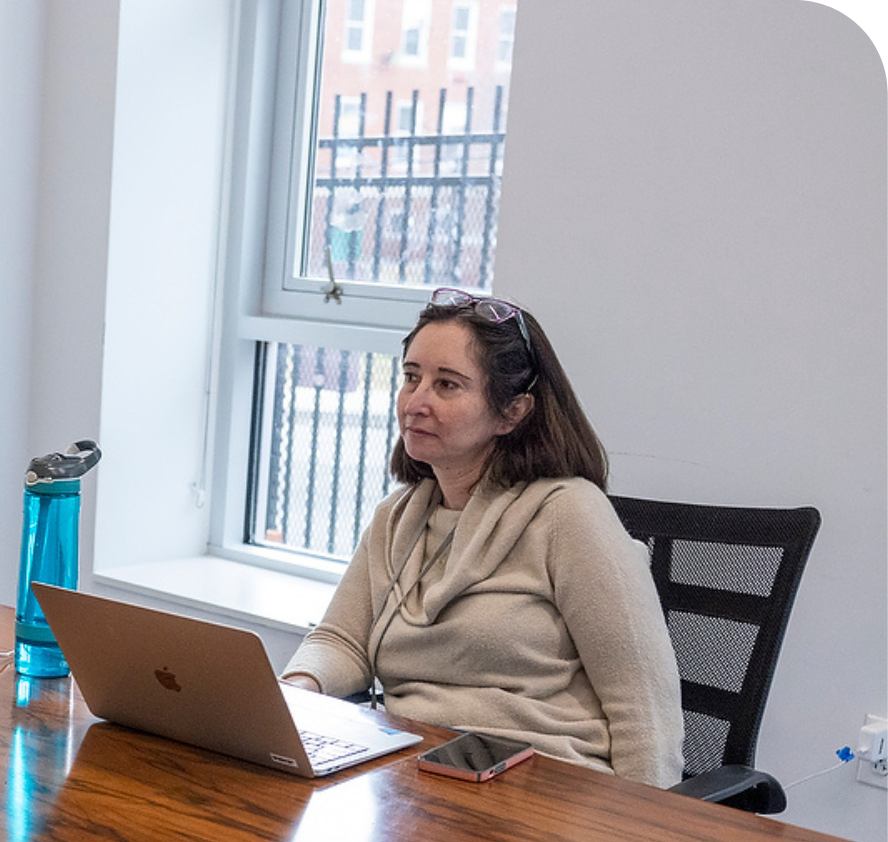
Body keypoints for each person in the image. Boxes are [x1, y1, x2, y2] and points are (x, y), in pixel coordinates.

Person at [280, 288, 683, 788]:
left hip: (548, 792)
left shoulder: (569, 514)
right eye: (411, 378)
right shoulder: (397, 518)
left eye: (448, 385)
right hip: (419, 779)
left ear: (512, 412)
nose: (416, 402)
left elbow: (644, 708)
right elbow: (344, 641)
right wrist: (290, 692)